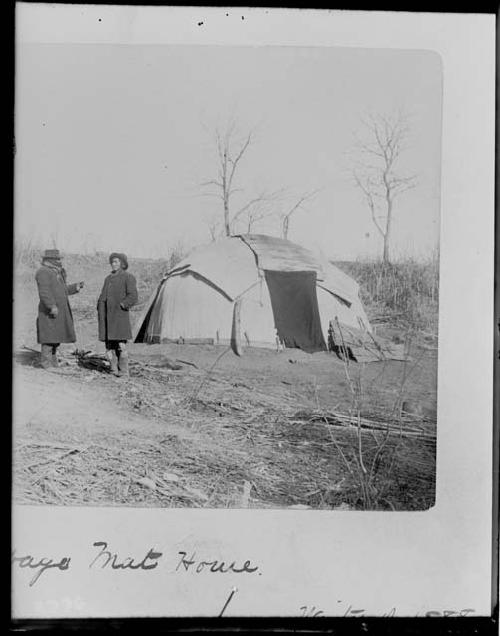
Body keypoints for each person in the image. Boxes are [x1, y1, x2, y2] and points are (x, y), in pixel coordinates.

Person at [35, 249, 84, 371]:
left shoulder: (56, 272)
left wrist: (75, 287)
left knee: (55, 337)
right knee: (48, 337)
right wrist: (51, 306)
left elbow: (63, 290)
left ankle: (53, 363)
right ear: (49, 260)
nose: (59, 261)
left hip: (59, 310)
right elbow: (44, 292)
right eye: (57, 259)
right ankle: (46, 363)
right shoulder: (43, 272)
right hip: (50, 311)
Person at [97, 252, 138, 377]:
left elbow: (133, 296)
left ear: (122, 263)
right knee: (110, 345)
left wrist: (122, 305)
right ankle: (113, 369)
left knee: (121, 345)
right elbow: (103, 295)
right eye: (112, 262)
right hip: (106, 316)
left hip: (119, 316)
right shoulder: (108, 279)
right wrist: (99, 306)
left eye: (116, 262)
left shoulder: (128, 277)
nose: (113, 264)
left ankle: (123, 372)